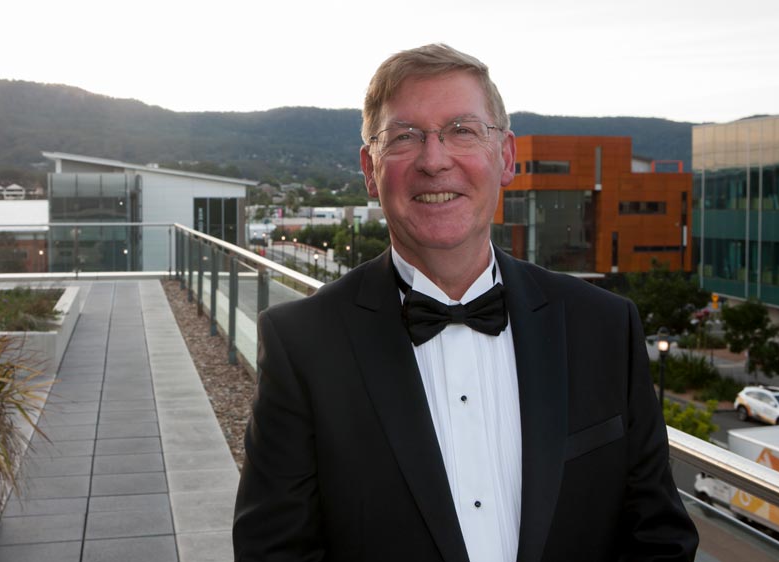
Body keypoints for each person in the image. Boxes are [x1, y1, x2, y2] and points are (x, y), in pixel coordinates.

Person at [233, 44, 698, 562]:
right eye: (404, 136)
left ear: (506, 157)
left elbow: (659, 538)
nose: (435, 161)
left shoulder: (604, 326)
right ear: (369, 168)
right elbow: (274, 553)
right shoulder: (302, 344)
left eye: (462, 130)